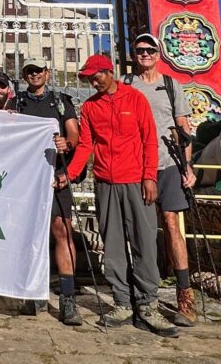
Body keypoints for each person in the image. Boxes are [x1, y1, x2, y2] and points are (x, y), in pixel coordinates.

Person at [61, 55, 177, 338]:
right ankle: (122, 303)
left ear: (109, 71)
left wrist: (149, 177)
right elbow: (86, 144)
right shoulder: (90, 106)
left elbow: (149, 140)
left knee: (143, 242)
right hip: (105, 183)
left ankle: (147, 305)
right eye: (89, 78)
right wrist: (70, 174)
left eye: (96, 76)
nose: (93, 82)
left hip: (136, 181)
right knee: (112, 244)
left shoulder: (135, 98)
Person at [126, 33, 197, 327]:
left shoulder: (170, 85)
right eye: (140, 50)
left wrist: (187, 166)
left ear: (158, 54)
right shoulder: (125, 84)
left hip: (167, 162)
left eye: (150, 49)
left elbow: (183, 127)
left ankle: (185, 296)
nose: (145, 54)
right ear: (134, 54)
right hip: (136, 164)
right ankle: (144, 294)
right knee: (139, 229)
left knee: (171, 224)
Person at [8, 58, 82, 325]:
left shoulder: (61, 101)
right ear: (24, 75)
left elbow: (74, 134)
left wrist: (67, 144)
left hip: (55, 174)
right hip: (27, 177)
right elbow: (7, 133)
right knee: (26, 234)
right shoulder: (17, 102)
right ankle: (30, 293)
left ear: (47, 74)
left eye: (38, 70)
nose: (34, 74)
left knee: (62, 231)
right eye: (29, 71)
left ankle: (68, 299)